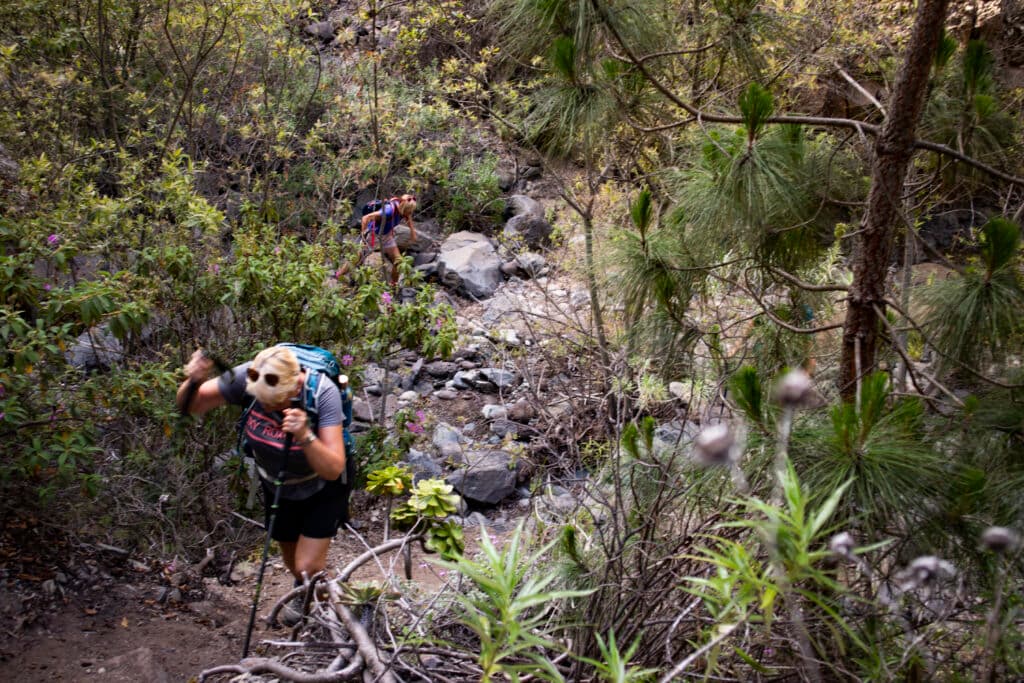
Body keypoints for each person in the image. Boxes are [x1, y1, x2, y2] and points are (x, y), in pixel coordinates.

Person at [176, 345, 353, 624]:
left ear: (296, 385)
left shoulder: (323, 393)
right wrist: (195, 379)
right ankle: (307, 595)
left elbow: (333, 468)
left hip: (323, 485)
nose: (268, 408)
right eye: (262, 402)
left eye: (275, 403)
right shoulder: (249, 378)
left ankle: (344, 614)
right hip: (277, 483)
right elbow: (191, 405)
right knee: (294, 564)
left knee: (309, 567)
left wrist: (305, 435)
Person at [339, 193, 418, 286]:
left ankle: (393, 285)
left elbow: (408, 217)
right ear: (405, 208)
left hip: (387, 236)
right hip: (373, 235)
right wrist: (364, 235)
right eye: (410, 211)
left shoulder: (403, 211)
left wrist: (413, 233)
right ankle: (339, 275)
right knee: (357, 258)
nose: (410, 214)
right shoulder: (389, 211)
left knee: (399, 261)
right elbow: (365, 218)